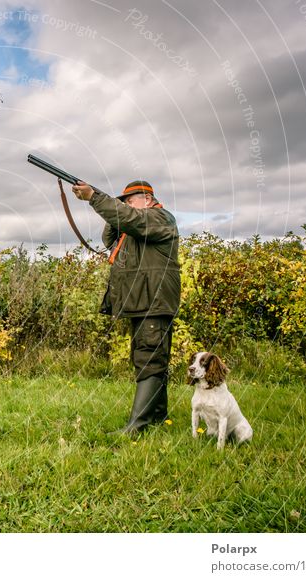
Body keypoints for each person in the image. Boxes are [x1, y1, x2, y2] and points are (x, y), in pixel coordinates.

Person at [71, 179, 181, 434]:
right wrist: (112, 207)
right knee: (150, 356)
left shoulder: (160, 218)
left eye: (129, 200)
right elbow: (110, 237)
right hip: (143, 300)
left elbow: (133, 220)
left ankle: (136, 426)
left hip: (153, 300)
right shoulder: (134, 226)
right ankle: (157, 417)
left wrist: (96, 198)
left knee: (149, 356)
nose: (127, 205)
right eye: (124, 203)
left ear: (147, 198)